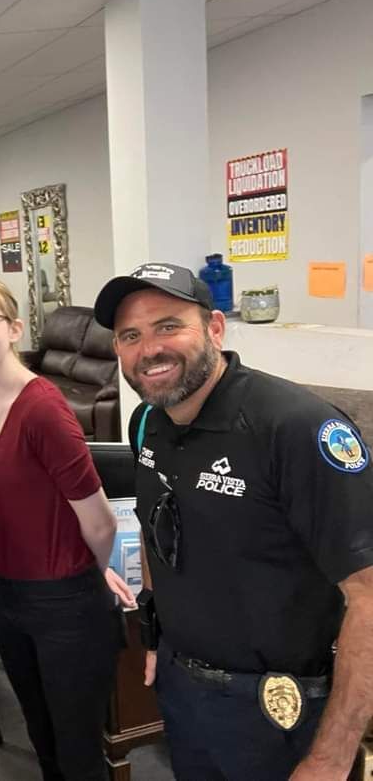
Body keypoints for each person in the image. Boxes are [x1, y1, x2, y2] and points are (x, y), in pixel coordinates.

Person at [94, 262, 373, 781]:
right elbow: (160, 532)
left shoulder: (296, 428)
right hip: (184, 693)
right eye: (130, 335)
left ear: (215, 329)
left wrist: (331, 759)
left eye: (168, 326)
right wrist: (154, 636)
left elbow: (369, 596)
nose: (148, 349)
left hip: (283, 709)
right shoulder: (148, 421)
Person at [0, 276, 134, 781]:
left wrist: (86, 578)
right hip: (6, 596)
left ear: (15, 328)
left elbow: (98, 520)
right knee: (41, 737)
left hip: (64, 603)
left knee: (77, 752)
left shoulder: (45, 410)